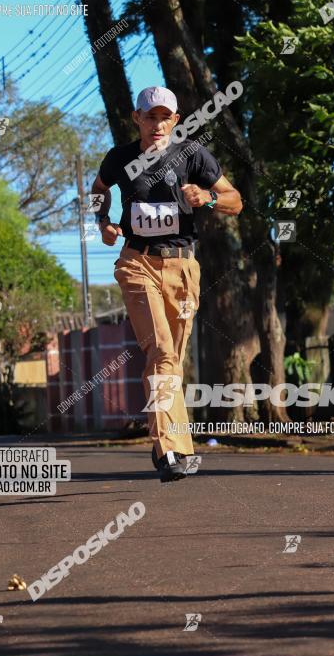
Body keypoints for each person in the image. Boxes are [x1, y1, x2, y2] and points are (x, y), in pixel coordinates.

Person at [90, 86, 242, 483]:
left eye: (165, 117)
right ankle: (168, 449)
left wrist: (207, 198)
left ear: (175, 121)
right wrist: (102, 222)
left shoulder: (191, 154)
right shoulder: (120, 158)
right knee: (159, 351)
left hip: (183, 269)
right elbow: (97, 192)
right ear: (137, 119)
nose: (158, 124)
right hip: (137, 263)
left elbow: (235, 200)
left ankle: (180, 445)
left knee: (169, 358)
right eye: (150, 116)